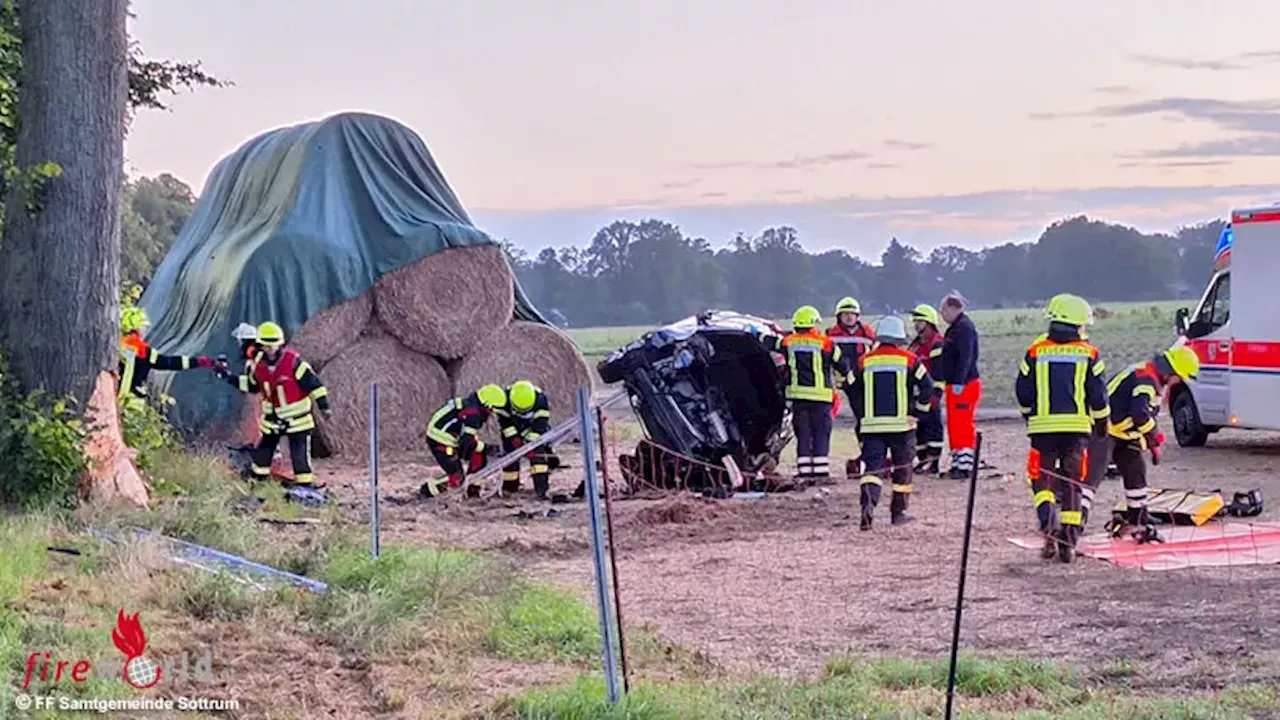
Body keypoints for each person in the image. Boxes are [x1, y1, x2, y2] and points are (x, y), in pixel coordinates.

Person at [1015, 295, 1109, 563]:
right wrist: (1102, 424)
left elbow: (1022, 390)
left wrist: (1028, 416)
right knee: (1072, 482)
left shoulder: (1035, 351)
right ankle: (1068, 542)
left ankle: (1048, 526)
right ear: (1078, 325)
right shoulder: (1090, 353)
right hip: (1077, 430)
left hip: (1042, 429)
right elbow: (1098, 396)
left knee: (1041, 480)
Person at [1082, 347, 1200, 542]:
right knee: (1091, 477)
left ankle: (1137, 524)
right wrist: (1156, 437)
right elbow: (1139, 414)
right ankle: (1072, 527)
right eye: (1179, 377)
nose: (1179, 381)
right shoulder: (1146, 379)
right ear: (1171, 371)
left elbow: (1140, 416)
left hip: (1125, 433)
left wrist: (1152, 445)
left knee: (1136, 473)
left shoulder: (1154, 378)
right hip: (1103, 429)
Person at [218, 321, 330, 489]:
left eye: (273, 346)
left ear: (280, 344)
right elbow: (252, 385)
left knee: (299, 454)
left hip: (297, 420)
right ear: (261, 345)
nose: (270, 350)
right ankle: (258, 481)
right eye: (266, 346)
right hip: (272, 420)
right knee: (264, 451)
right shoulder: (257, 365)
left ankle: (305, 486)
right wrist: (228, 377)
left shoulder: (294, 362)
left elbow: (315, 385)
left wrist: (324, 406)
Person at [848, 316, 935, 529]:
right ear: (899, 338)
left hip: (872, 427)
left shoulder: (863, 361)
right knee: (903, 469)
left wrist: (862, 414)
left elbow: (850, 387)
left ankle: (867, 508)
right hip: (902, 426)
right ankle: (898, 513)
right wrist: (918, 412)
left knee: (872, 470)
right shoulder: (910, 360)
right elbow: (928, 388)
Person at [760, 305, 850, 485]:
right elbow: (843, 366)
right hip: (822, 399)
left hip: (799, 399)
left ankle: (804, 472)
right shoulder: (826, 343)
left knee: (804, 433)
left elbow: (769, 342)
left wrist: (758, 333)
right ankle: (821, 474)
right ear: (812, 324)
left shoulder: (788, 342)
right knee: (821, 434)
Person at [420, 384, 506, 499]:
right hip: (440, 441)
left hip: (450, 437)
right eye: (493, 410)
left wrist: (481, 449)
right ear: (487, 406)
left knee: (478, 456)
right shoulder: (473, 414)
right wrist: (488, 449)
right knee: (457, 477)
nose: (492, 414)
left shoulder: (472, 405)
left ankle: (473, 490)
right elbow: (466, 442)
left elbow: (467, 438)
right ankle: (428, 491)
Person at [117, 305, 216, 406]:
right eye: (143, 326)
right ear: (136, 328)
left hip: (111, 395)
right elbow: (166, 363)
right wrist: (196, 362)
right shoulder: (142, 350)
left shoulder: (114, 344)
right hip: (130, 401)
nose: (145, 330)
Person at [935, 292, 982, 479]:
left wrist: (959, 381)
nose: (942, 314)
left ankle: (964, 465)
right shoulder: (956, 328)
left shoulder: (964, 328)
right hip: (956, 383)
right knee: (955, 424)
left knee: (962, 424)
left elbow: (966, 356)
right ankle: (957, 462)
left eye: (944, 310)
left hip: (964, 384)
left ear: (954, 308)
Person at [493, 380, 558, 499]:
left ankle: (541, 489)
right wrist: (514, 438)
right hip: (512, 428)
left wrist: (531, 443)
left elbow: (540, 423)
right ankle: (510, 488)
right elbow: (505, 423)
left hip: (532, 429)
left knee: (538, 458)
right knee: (510, 459)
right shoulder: (503, 401)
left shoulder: (540, 399)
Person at [907, 304, 945, 475]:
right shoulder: (915, 345)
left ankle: (933, 462)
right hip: (916, 393)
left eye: (920, 321)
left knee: (933, 427)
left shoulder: (936, 343)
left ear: (929, 322)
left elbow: (939, 371)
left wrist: (936, 394)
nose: (916, 324)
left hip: (930, 392)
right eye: (915, 321)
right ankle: (922, 459)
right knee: (919, 427)